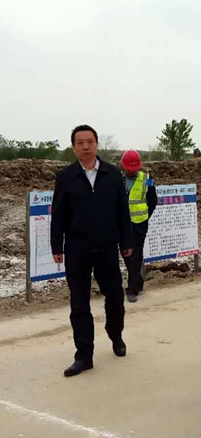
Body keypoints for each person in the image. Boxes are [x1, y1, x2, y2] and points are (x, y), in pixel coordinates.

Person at [51, 125, 133, 378]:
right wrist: (57, 246)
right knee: (79, 302)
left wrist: (126, 240)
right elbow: (58, 214)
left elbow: (122, 210)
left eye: (90, 141)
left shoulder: (112, 174)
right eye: (80, 142)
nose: (86, 146)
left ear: (96, 144)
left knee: (115, 296)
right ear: (73, 147)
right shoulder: (65, 177)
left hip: (107, 246)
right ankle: (84, 355)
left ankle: (115, 333)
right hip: (77, 249)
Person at [120, 150, 157, 303]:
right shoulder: (117, 179)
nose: (132, 171)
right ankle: (138, 281)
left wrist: (145, 217)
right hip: (122, 224)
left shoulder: (147, 179)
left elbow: (153, 200)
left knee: (136, 255)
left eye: (134, 168)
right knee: (125, 253)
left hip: (139, 223)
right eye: (129, 168)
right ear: (123, 166)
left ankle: (131, 288)